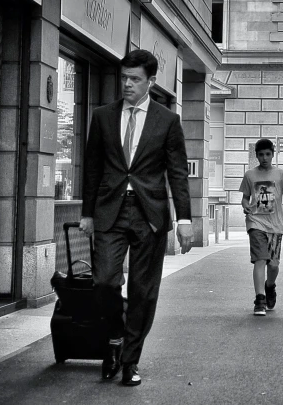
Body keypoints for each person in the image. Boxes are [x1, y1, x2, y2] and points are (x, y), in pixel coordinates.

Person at [80, 49, 193, 387]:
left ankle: (130, 360)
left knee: (144, 292)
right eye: (124, 77)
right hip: (110, 211)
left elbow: (177, 173)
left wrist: (185, 219)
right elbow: (93, 168)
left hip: (149, 214)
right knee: (104, 282)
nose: (127, 84)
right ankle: (115, 337)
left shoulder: (167, 121)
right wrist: (87, 212)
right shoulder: (102, 116)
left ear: (151, 81)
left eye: (135, 79)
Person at [239, 139, 283, 316]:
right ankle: (260, 299)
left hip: (275, 225)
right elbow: (245, 198)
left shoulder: (281, 175)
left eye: (268, 154)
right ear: (256, 155)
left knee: (273, 265)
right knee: (260, 259)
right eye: (261, 154)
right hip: (256, 223)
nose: (264, 158)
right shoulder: (250, 175)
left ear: (273, 154)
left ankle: (270, 286)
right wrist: (245, 206)